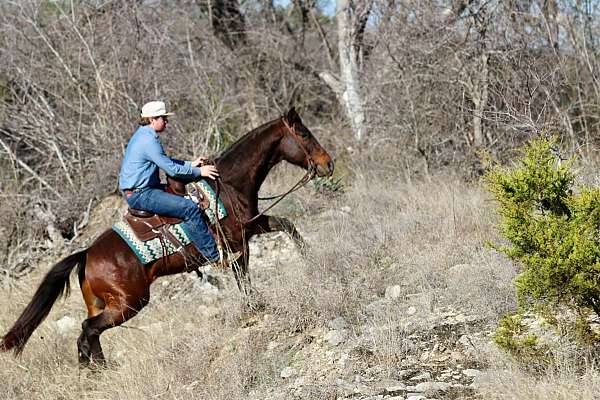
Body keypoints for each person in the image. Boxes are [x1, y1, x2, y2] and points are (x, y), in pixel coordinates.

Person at [118, 100, 220, 263]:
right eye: (163, 118)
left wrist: (189, 164)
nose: (166, 121)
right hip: (142, 194)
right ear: (152, 119)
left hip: (143, 190)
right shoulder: (148, 140)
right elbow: (171, 169)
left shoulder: (143, 135)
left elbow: (164, 161)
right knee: (190, 208)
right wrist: (200, 171)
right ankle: (214, 256)